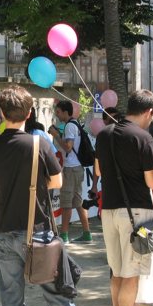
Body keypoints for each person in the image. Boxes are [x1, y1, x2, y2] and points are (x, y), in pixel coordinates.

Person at [0, 85, 100, 306]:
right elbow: (57, 182)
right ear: (29, 113)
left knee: (12, 299)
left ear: (2, 113)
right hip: (37, 231)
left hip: (4, 231)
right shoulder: (39, 144)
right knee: (58, 297)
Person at [94, 89, 153, 306]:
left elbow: (98, 170)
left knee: (117, 270)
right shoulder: (143, 138)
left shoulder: (104, 134)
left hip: (108, 209)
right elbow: (151, 182)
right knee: (132, 272)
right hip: (136, 211)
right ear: (149, 112)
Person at [48, 100, 92, 244]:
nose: (57, 114)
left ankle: (64, 235)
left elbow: (68, 147)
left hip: (71, 168)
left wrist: (56, 135)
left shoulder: (69, 126)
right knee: (78, 202)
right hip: (77, 167)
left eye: (58, 112)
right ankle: (86, 233)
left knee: (66, 202)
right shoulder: (75, 124)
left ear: (65, 112)